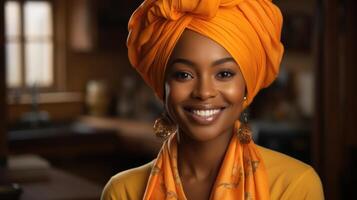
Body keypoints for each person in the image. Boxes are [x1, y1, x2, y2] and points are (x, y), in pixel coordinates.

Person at [101, 0, 324, 199]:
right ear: (163, 86)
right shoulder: (124, 192)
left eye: (224, 74)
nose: (204, 92)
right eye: (184, 75)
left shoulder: (293, 186)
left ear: (246, 85)